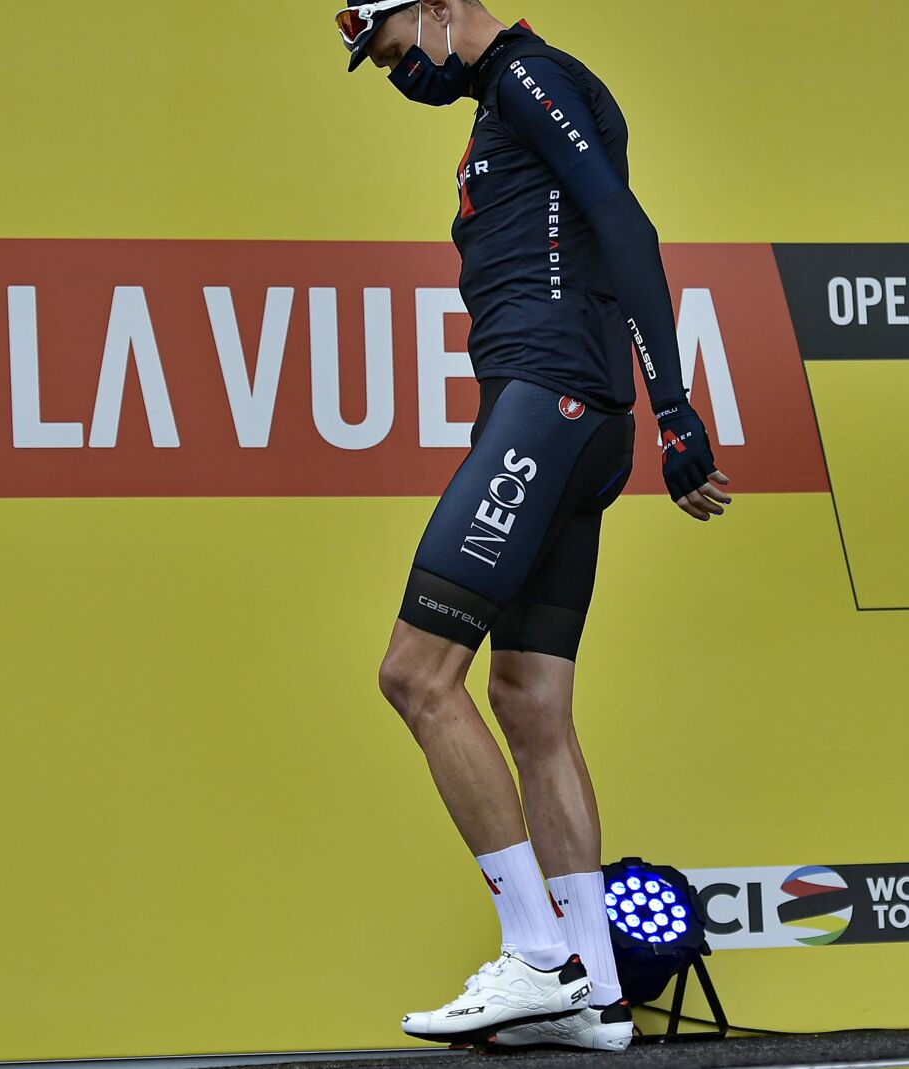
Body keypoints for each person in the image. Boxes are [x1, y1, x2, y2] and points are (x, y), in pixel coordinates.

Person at [333, 0, 733, 1053]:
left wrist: (677, 405)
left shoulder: (527, 78)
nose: (399, 77)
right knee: (528, 699)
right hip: (567, 416)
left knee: (416, 675)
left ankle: (539, 955)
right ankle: (594, 989)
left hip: (550, 407)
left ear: (434, 8)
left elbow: (624, 224)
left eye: (393, 52)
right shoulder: (502, 101)